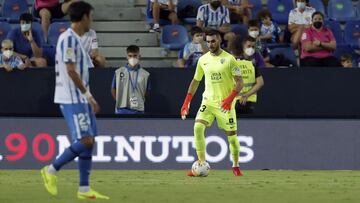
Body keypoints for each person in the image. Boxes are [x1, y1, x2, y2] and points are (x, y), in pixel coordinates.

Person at [40, 1, 109, 200]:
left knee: (90, 141)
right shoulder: (69, 39)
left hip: (79, 96)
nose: (92, 20)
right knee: (85, 140)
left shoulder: (77, 39)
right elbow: (71, 71)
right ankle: (50, 170)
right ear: (84, 17)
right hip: (72, 97)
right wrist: (88, 96)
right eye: (91, 16)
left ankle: (84, 189)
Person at [180, 29, 244, 177]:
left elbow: (240, 82)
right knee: (197, 127)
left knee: (232, 138)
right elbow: (195, 81)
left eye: (213, 41)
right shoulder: (203, 60)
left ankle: (235, 165)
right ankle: (201, 164)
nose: (210, 44)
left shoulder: (229, 59)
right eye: (208, 41)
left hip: (225, 104)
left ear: (219, 40)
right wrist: (186, 102)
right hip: (208, 102)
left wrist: (229, 99)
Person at [111, 45, 150, 114]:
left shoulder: (145, 74)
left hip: (138, 110)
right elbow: (113, 89)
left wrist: (139, 100)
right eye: (130, 56)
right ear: (127, 57)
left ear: (139, 56)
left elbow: (147, 92)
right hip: (122, 110)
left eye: (135, 56)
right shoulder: (118, 72)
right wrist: (120, 101)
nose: (132, 58)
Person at [231, 36, 264, 114]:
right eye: (248, 46)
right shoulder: (234, 62)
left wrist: (246, 95)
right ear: (243, 47)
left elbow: (260, 83)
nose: (251, 49)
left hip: (248, 102)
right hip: (233, 102)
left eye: (253, 47)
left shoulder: (252, 64)